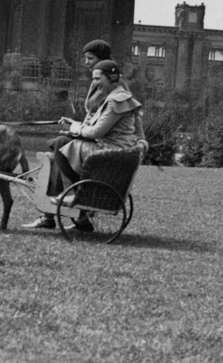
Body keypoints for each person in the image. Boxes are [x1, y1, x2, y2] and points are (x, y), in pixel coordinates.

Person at [30, 60, 147, 232]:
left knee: (62, 145)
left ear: (112, 78)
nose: (94, 82)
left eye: (98, 78)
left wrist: (73, 128)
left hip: (109, 153)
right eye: (94, 78)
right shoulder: (116, 98)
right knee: (57, 143)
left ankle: (78, 193)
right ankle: (73, 195)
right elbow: (100, 126)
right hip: (114, 150)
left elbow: (96, 132)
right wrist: (75, 123)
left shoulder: (116, 101)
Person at [22, 39, 113, 230]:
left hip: (101, 142)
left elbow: (105, 120)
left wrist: (77, 130)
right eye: (86, 58)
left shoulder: (109, 85)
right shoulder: (99, 82)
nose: (86, 62)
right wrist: (75, 124)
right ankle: (53, 215)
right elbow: (95, 116)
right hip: (92, 136)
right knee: (55, 146)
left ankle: (72, 196)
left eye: (90, 58)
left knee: (59, 146)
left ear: (102, 60)